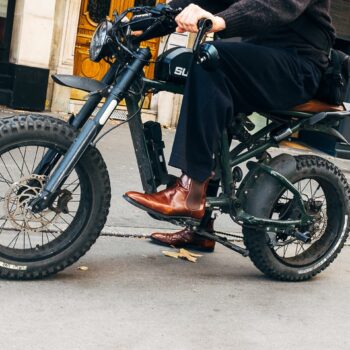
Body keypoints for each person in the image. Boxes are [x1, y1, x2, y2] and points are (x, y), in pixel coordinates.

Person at [125, 0, 335, 251]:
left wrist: (221, 21)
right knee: (212, 87)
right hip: (263, 57)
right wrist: (148, 20)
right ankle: (200, 228)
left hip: (299, 64)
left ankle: (189, 193)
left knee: (211, 58)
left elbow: (279, 5)